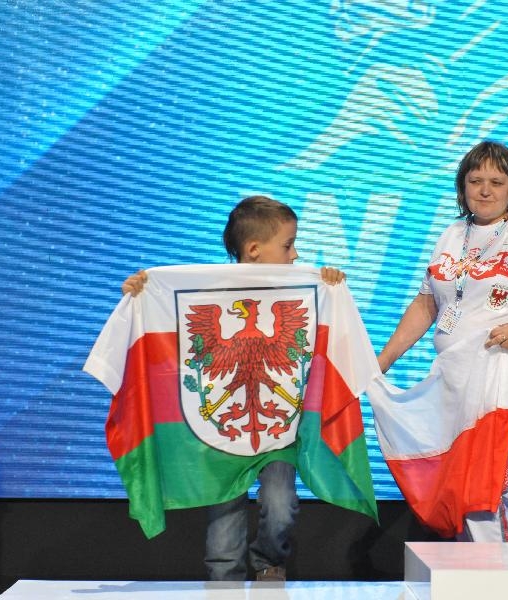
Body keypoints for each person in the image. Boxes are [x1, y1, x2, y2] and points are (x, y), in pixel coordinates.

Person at [121, 195, 345, 582]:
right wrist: (143, 291)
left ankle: (268, 563)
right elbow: (169, 326)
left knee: (281, 505)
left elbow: (322, 330)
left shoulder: (297, 293)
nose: (296, 255)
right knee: (223, 526)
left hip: (279, 429)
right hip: (221, 430)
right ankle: (223, 584)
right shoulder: (209, 293)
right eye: (288, 245)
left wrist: (329, 286)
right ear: (254, 249)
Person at [375, 140, 508, 542]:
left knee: (483, 490)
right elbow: (426, 305)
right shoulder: (451, 235)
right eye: (475, 181)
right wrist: (381, 361)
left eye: (496, 181)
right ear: (462, 187)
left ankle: (494, 582)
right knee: (461, 494)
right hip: (457, 381)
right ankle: (471, 579)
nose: (485, 190)